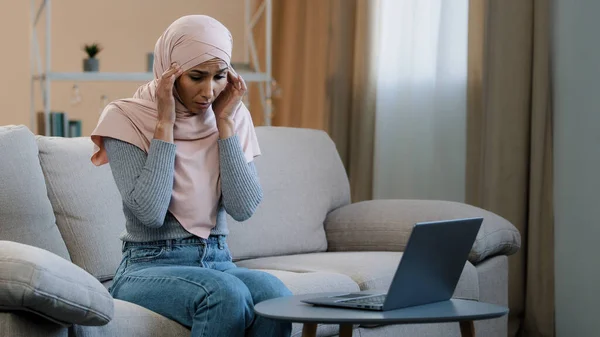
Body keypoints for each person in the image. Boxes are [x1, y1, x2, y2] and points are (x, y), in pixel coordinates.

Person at [90, 15, 292, 337]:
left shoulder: (233, 113)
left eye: (219, 76)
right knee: (225, 294)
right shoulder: (124, 117)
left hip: (218, 259)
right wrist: (164, 125)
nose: (209, 91)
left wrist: (224, 124)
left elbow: (243, 208)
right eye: (197, 77)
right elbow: (149, 213)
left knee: (276, 297)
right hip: (148, 266)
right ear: (170, 71)